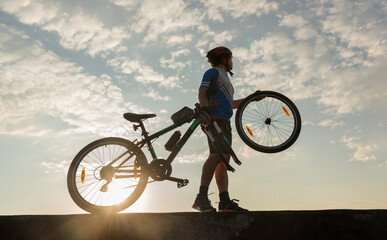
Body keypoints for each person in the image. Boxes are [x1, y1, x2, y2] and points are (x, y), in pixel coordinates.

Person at [192, 46, 248, 212]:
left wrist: (251, 99)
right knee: (216, 156)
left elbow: (231, 104)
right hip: (214, 120)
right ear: (224, 59)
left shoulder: (228, 82)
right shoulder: (213, 73)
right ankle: (201, 197)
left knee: (223, 161)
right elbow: (202, 92)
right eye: (231, 58)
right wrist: (206, 111)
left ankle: (224, 201)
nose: (232, 62)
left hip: (224, 121)